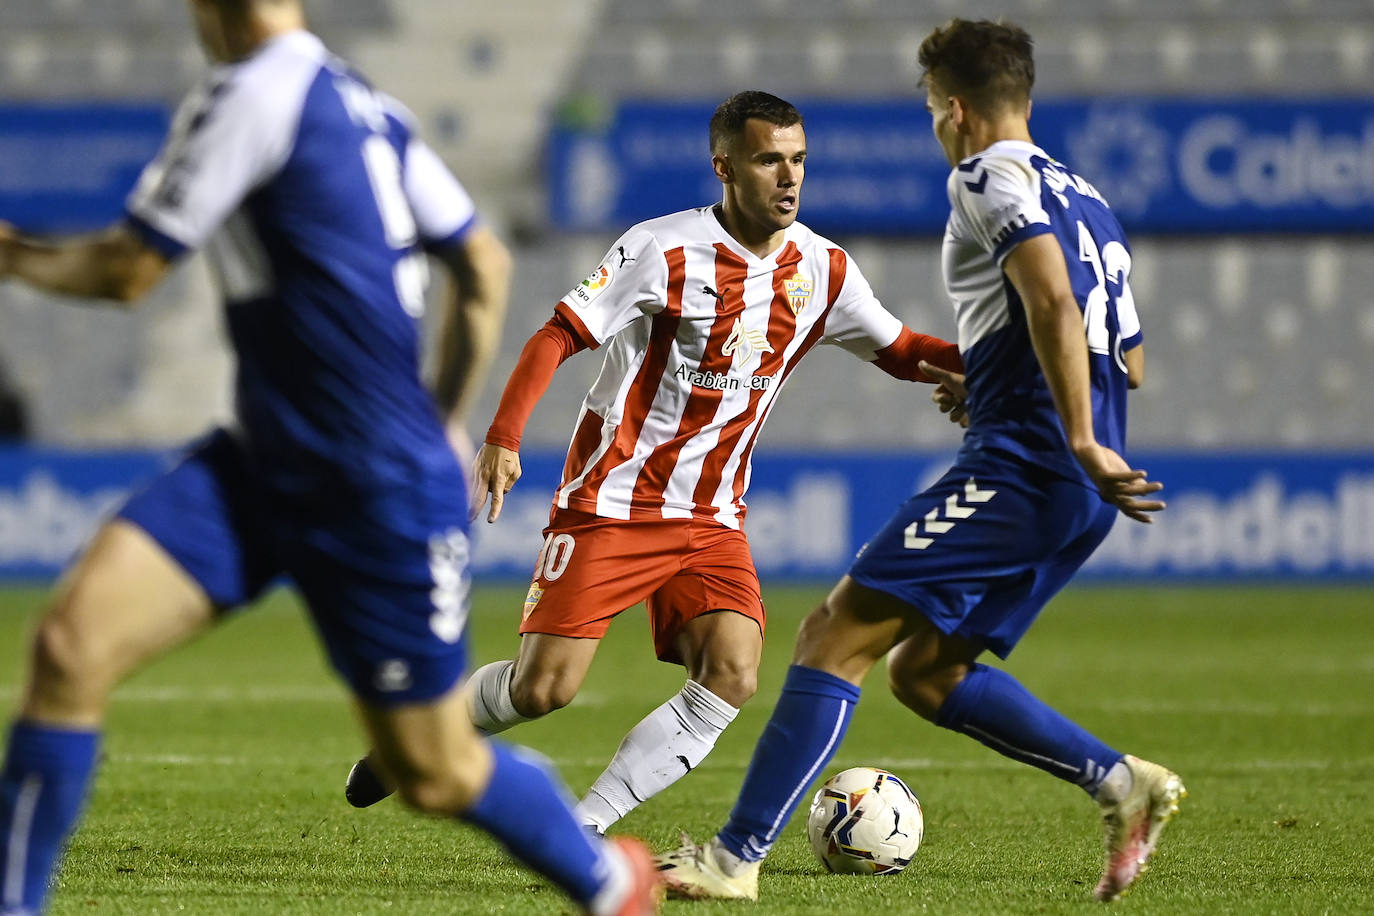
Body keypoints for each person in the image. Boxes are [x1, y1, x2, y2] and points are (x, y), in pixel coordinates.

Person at [0, 3, 660, 915]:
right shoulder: (365, 105)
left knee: (431, 769)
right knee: (70, 648)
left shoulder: (248, 93)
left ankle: (606, 880)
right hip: (264, 463)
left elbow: (128, 272)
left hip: (372, 486)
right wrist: (447, 416)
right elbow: (481, 263)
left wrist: (12, 257)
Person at [655, 18, 1185, 904]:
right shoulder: (1087, 196)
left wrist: (1070, 433)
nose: (939, 129)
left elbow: (1052, 295)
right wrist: (1008, 388)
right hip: (1077, 481)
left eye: (937, 112)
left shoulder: (986, 173)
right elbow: (1126, 357)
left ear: (959, 109)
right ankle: (1122, 783)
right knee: (926, 673)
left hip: (1032, 463)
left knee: (833, 636)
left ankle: (732, 858)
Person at [342, 90, 965, 836]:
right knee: (543, 690)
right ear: (725, 167)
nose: (789, 177)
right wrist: (504, 436)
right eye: (770, 160)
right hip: (615, 502)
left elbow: (902, 351)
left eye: (798, 160)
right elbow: (557, 336)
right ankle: (416, 736)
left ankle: (586, 831)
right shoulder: (662, 249)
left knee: (732, 673)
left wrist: (998, 372)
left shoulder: (822, 269)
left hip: (710, 517)